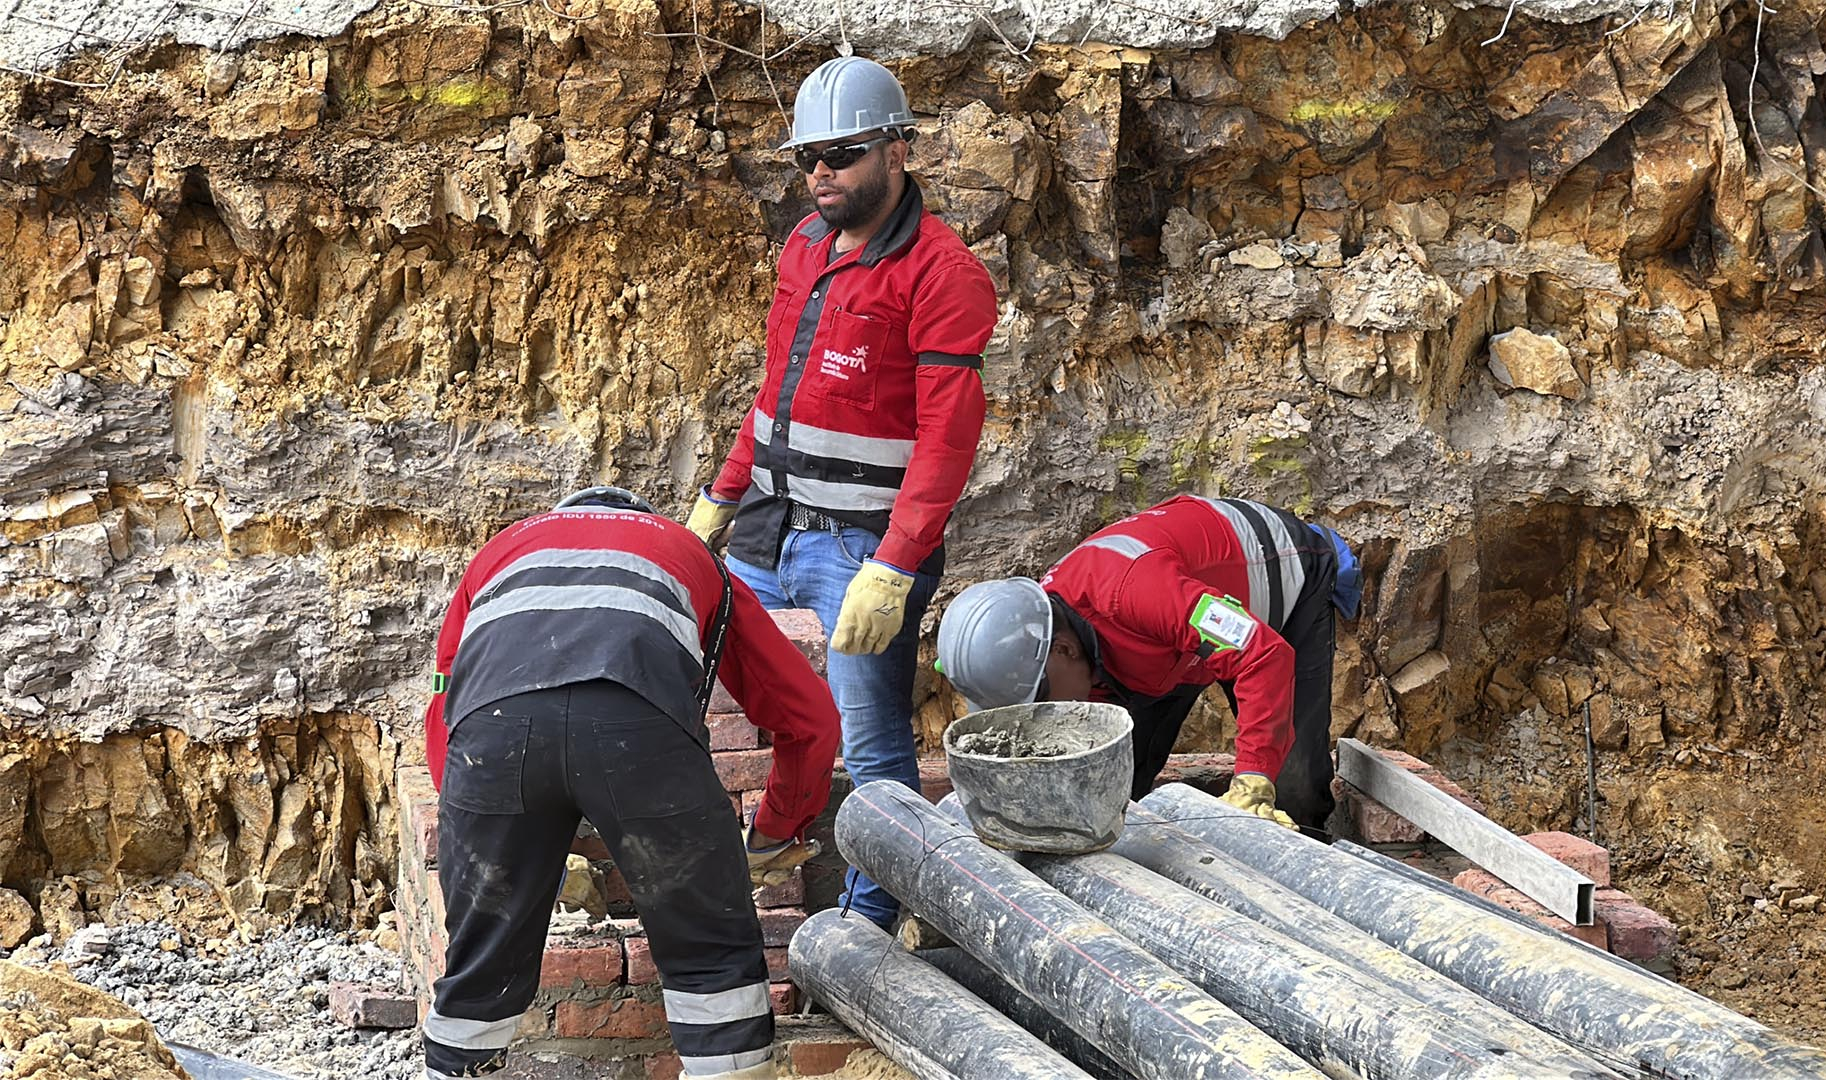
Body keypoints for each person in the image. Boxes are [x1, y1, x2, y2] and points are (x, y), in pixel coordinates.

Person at [684, 56, 998, 929]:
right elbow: (777, 392)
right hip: (767, 528)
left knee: (872, 744)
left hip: (859, 547)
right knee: (706, 695)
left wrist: (896, 566)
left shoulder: (943, 274)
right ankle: (733, 868)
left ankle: (869, 926)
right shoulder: (806, 249)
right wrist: (722, 495)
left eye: (841, 152)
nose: (820, 171)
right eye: (806, 157)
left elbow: (947, 439)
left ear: (899, 151)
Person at [419, 487, 837, 1080]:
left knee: (479, 962)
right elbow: (809, 719)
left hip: (493, 735)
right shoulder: (688, 551)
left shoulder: (500, 551)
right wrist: (775, 830)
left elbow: (445, 703)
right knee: (710, 955)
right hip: (639, 725)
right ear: (641, 518)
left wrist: (491, 833)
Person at [934, 494, 1361, 833]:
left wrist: (1253, 779)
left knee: (1292, 785)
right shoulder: (1049, 625)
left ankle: (1304, 863)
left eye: (1040, 699)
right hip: (1170, 639)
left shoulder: (1141, 594)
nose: (1045, 716)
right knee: (1117, 781)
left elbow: (1260, 653)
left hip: (1282, 583)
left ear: (1063, 650)